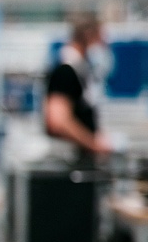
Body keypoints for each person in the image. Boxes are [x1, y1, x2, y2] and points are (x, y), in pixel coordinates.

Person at [44, 15, 112, 157]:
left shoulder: (80, 72)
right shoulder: (66, 72)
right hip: (69, 160)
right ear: (88, 36)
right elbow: (57, 121)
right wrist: (92, 144)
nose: (103, 46)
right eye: (100, 40)